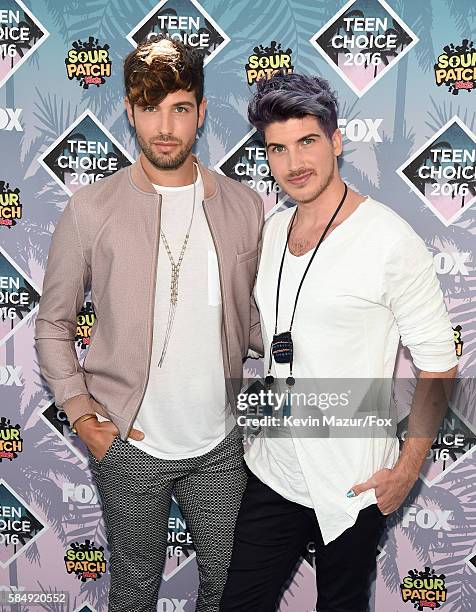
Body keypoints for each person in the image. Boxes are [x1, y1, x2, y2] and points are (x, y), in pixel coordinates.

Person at [35, 36, 264, 612]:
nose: (165, 126)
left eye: (180, 108)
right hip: (130, 443)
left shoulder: (244, 205)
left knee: (227, 594)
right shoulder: (92, 208)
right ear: (131, 111)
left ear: (201, 112)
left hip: (222, 443)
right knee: (134, 595)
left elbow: (259, 319)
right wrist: (86, 417)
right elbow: (53, 324)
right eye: (150, 108)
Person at [219, 73, 458, 612]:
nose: (294, 163)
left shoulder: (390, 240)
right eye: (277, 148)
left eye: (307, 141)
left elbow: (439, 367)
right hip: (273, 469)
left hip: (354, 484)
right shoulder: (275, 228)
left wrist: (405, 472)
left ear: (336, 140)